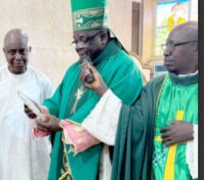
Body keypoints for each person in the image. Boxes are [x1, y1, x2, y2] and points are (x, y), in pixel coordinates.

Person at [23, 0, 143, 179]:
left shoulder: (126, 67)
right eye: (75, 40)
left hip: (102, 158)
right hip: (66, 154)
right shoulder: (74, 69)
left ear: (103, 37)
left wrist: (62, 124)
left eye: (84, 40)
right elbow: (58, 100)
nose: (78, 46)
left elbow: (113, 114)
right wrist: (43, 111)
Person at [80, 21, 198, 179]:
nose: (166, 52)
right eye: (166, 45)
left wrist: (194, 132)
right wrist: (101, 88)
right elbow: (133, 124)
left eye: (173, 45)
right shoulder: (156, 87)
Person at [0, 28, 53, 180]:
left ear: (29, 50)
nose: (18, 57)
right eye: (12, 52)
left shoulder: (42, 82)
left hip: (33, 156)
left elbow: (50, 119)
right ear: (4, 52)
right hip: (1, 157)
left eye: (22, 51)